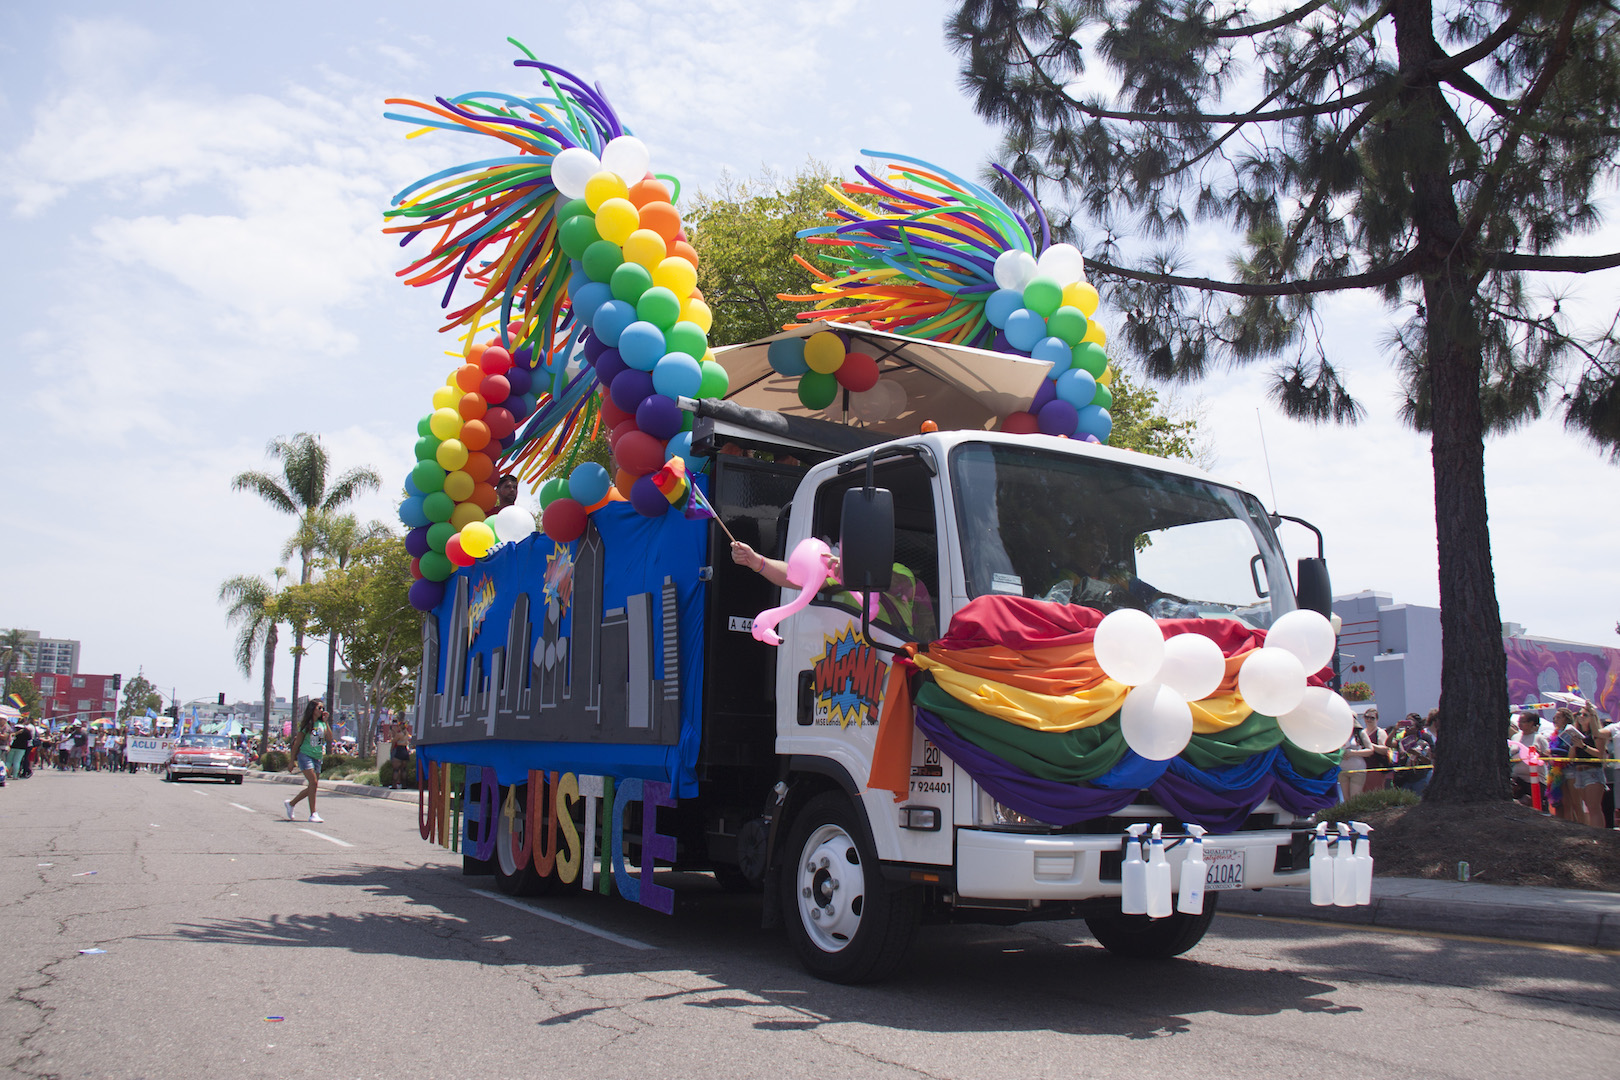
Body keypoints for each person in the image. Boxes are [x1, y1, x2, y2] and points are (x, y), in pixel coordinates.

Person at [283, 700, 333, 823]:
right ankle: (313, 813)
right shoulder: (306, 725)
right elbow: (297, 744)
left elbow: (329, 738)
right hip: (305, 755)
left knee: (313, 786)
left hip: (317, 756)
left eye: (323, 708)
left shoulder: (322, 724)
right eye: (319, 708)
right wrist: (291, 761)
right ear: (313, 709)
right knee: (313, 782)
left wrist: (326, 722)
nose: (322, 710)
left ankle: (291, 803)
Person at [1562, 705, 1607, 829]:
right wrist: (1574, 745)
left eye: (1585, 715)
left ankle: (1599, 836)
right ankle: (1592, 834)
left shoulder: (1596, 734)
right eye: (1579, 714)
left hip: (1592, 771)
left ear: (1592, 717)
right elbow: (1571, 758)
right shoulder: (1579, 734)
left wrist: (1583, 746)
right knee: (1586, 806)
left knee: (1594, 807)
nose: (1581, 717)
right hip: (1579, 772)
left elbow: (1600, 755)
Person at [1509, 712, 1551, 806]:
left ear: (1531, 723)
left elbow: (1548, 758)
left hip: (1534, 779)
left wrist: (1538, 753)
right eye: (1519, 721)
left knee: (1533, 803)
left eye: (1522, 721)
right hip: (1517, 778)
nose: (1519, 724)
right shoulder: (1515, 737)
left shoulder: (1539, 738)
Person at [388, 720, 413, 790]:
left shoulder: (399, 734)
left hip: (399, 750)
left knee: (396, 769)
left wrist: (391, 750)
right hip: (405, 750)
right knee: (404, 769)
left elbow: (394, 741)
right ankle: (404, 785)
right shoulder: (407, 734)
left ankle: (394, 785)